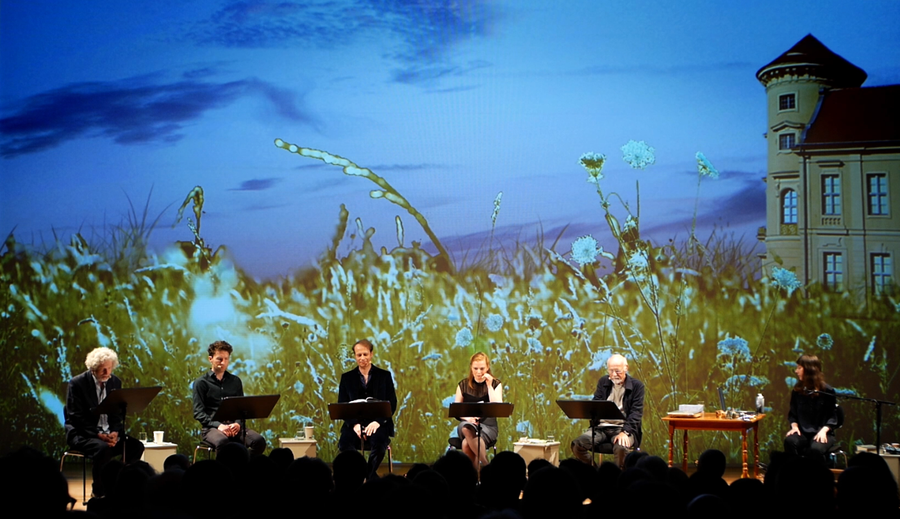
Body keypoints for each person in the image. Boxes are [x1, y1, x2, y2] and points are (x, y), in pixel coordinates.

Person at [65, 346, 145, 496]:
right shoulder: (77, 384)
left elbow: (117, 413)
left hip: (109, 434)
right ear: (93, 369)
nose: (107, 373)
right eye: (103, 369)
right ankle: (100, 492)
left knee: (136, 446)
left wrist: (114, 432)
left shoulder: (115, 382)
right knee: (103, 449)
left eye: (109, 368)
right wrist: (98, 435)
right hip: (84, 434)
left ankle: (121, 484)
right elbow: (76, 417)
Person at [192, 340, 266, 456]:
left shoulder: (235, 381)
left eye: (226, 359)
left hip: (234, 426)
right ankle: (223, 472)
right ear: (210, 359)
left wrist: (237, 424)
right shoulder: (201, 382)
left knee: (258, 441)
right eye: (219, 359)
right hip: (212, 428)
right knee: (223, 442)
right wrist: (219, 426)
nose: (223, 362)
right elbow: (198, 413)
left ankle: (245, 468)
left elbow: (241, 408)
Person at [338, 339, 397, 481]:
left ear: (371, 354)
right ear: (354, 356)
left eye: (365, 354)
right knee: (344, 444)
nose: (362, 358)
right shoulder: (347, 378)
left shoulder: (384, 376)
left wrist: (378, 422)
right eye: (359, 355)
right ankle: (368, 473)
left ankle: (368, 476)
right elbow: (342, 404)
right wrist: (354, 424)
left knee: (379, 443)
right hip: (354, 424)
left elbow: (392, 402)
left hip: (378, 423)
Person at [570, 353, 644, 467]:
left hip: (623, 429)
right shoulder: (603, 382)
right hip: (601, 429)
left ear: (626, 368)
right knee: (577, 444)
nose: (614, 374)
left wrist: (625, 432)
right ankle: (594, 472)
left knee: (621, 448)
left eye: (617, 371)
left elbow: (636, 413)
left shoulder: (637, 386)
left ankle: (619, 479)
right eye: (611, 371)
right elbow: (596, 404)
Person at [449, 352, 502, 469]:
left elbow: (497, 406)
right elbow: (457, 410)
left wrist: (489, 386)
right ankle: (487, 467)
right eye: (475, 368)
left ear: (487, 367)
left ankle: (473, 477)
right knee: (466, 428)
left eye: (482, 369)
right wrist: (468, 418)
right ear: (471, 368)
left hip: (488, 426)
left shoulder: (496, 384)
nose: (479, 372)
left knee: (466, 444)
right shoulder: (463, 385)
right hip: (467, 423)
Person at [783, 354, 837, 464]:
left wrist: (824, 430)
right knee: (790, 441)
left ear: (808, 370)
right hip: (802, 432)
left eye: (799, 368)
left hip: (822, 432)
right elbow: (792, 414)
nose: (796, 371)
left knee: (815, 449)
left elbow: (833, 416)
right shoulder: (797, 391)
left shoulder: (827, 391)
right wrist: (794, 427)